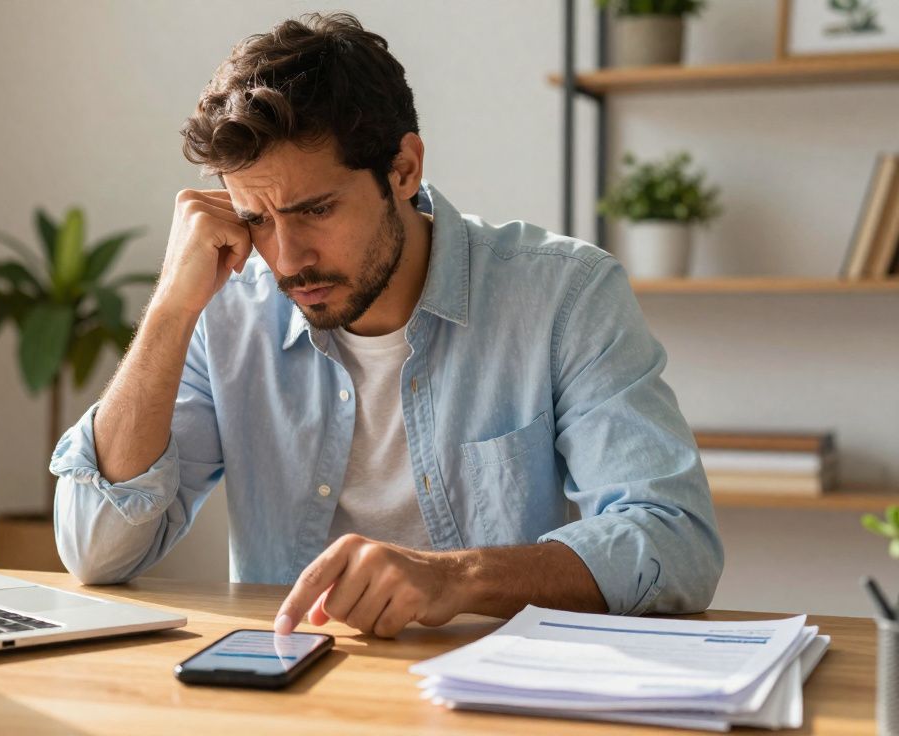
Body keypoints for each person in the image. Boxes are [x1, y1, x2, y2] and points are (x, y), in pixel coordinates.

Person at [50, 12, 723, 638]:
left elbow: (674, 541)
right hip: (290, 694)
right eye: (255, 218)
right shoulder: (226, 308)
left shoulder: (563, 294)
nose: (286, 260)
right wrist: (171, 307)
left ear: (403, 170)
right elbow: (97, 549)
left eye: (315, 210)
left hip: (503, 692)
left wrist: (456, 576)